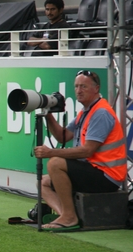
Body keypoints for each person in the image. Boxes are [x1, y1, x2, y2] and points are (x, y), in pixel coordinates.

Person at [33, 70, 127, 231]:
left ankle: (69, 217)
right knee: (42, 182)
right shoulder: (87, 111)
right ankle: (65, 215)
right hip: (94, 170)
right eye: (76, 86)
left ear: (96, 88)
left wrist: (51, 153)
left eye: (83, 86)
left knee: (55, 163)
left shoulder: (101, 112)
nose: (78, 90)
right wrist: (48, 113)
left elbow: (87, 151)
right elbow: (63, 137)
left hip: (107, 176)